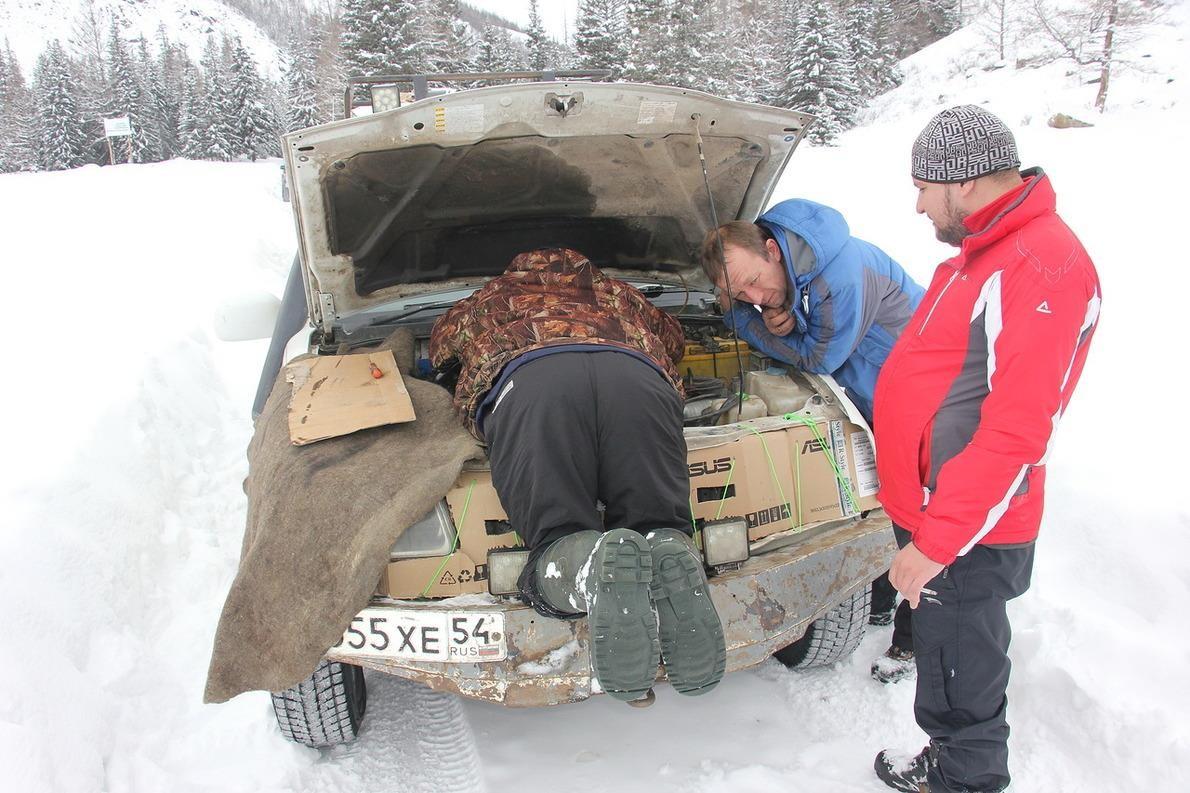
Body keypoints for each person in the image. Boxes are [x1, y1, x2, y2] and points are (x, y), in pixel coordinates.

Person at [872, 106, 1101, 793]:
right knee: (947, 653)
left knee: (961, 663)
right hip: (947, 512)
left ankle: (965, 780)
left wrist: (937, 540)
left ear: (963, 182)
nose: (917, 204)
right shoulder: (988, 256)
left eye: (923, 186)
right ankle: (953, 761)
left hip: (969, 524)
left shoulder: (1039, 264)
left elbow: (1015, 430)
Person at [429, 247, 726, 703]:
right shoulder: (618, 293)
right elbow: (673, 337)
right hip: (637, 380)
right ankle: (666, 547)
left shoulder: (491, 297)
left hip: (534, 384)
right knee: (659, 519)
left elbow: (439, 348)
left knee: (558, 530)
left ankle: (587, 565)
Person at [698, 197, 924, 678]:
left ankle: (916, 635)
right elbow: (811, 334)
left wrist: (751, 324)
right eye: (741, 295)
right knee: (892, 498)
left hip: (925, 394)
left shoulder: (839, 274)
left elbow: (819, 357)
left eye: (755, 281)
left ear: (773, 249)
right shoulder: (801, 267)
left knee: (923, 511)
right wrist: (781, 315)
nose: (754, 297)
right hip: (878, 392)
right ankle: (881, 595)